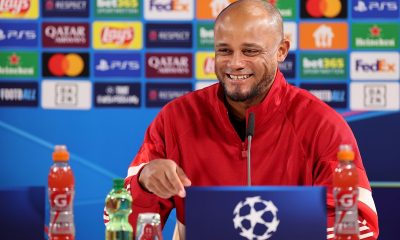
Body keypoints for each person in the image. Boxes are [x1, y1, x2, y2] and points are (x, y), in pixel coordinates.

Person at [123, 0, 379, 239]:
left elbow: (359, 227)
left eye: (250, 51)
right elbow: (121, 221)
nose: (235, 63)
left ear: (281, 51)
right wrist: (144, 182)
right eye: (224, 50)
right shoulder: (176, 118)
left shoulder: (323, 125)